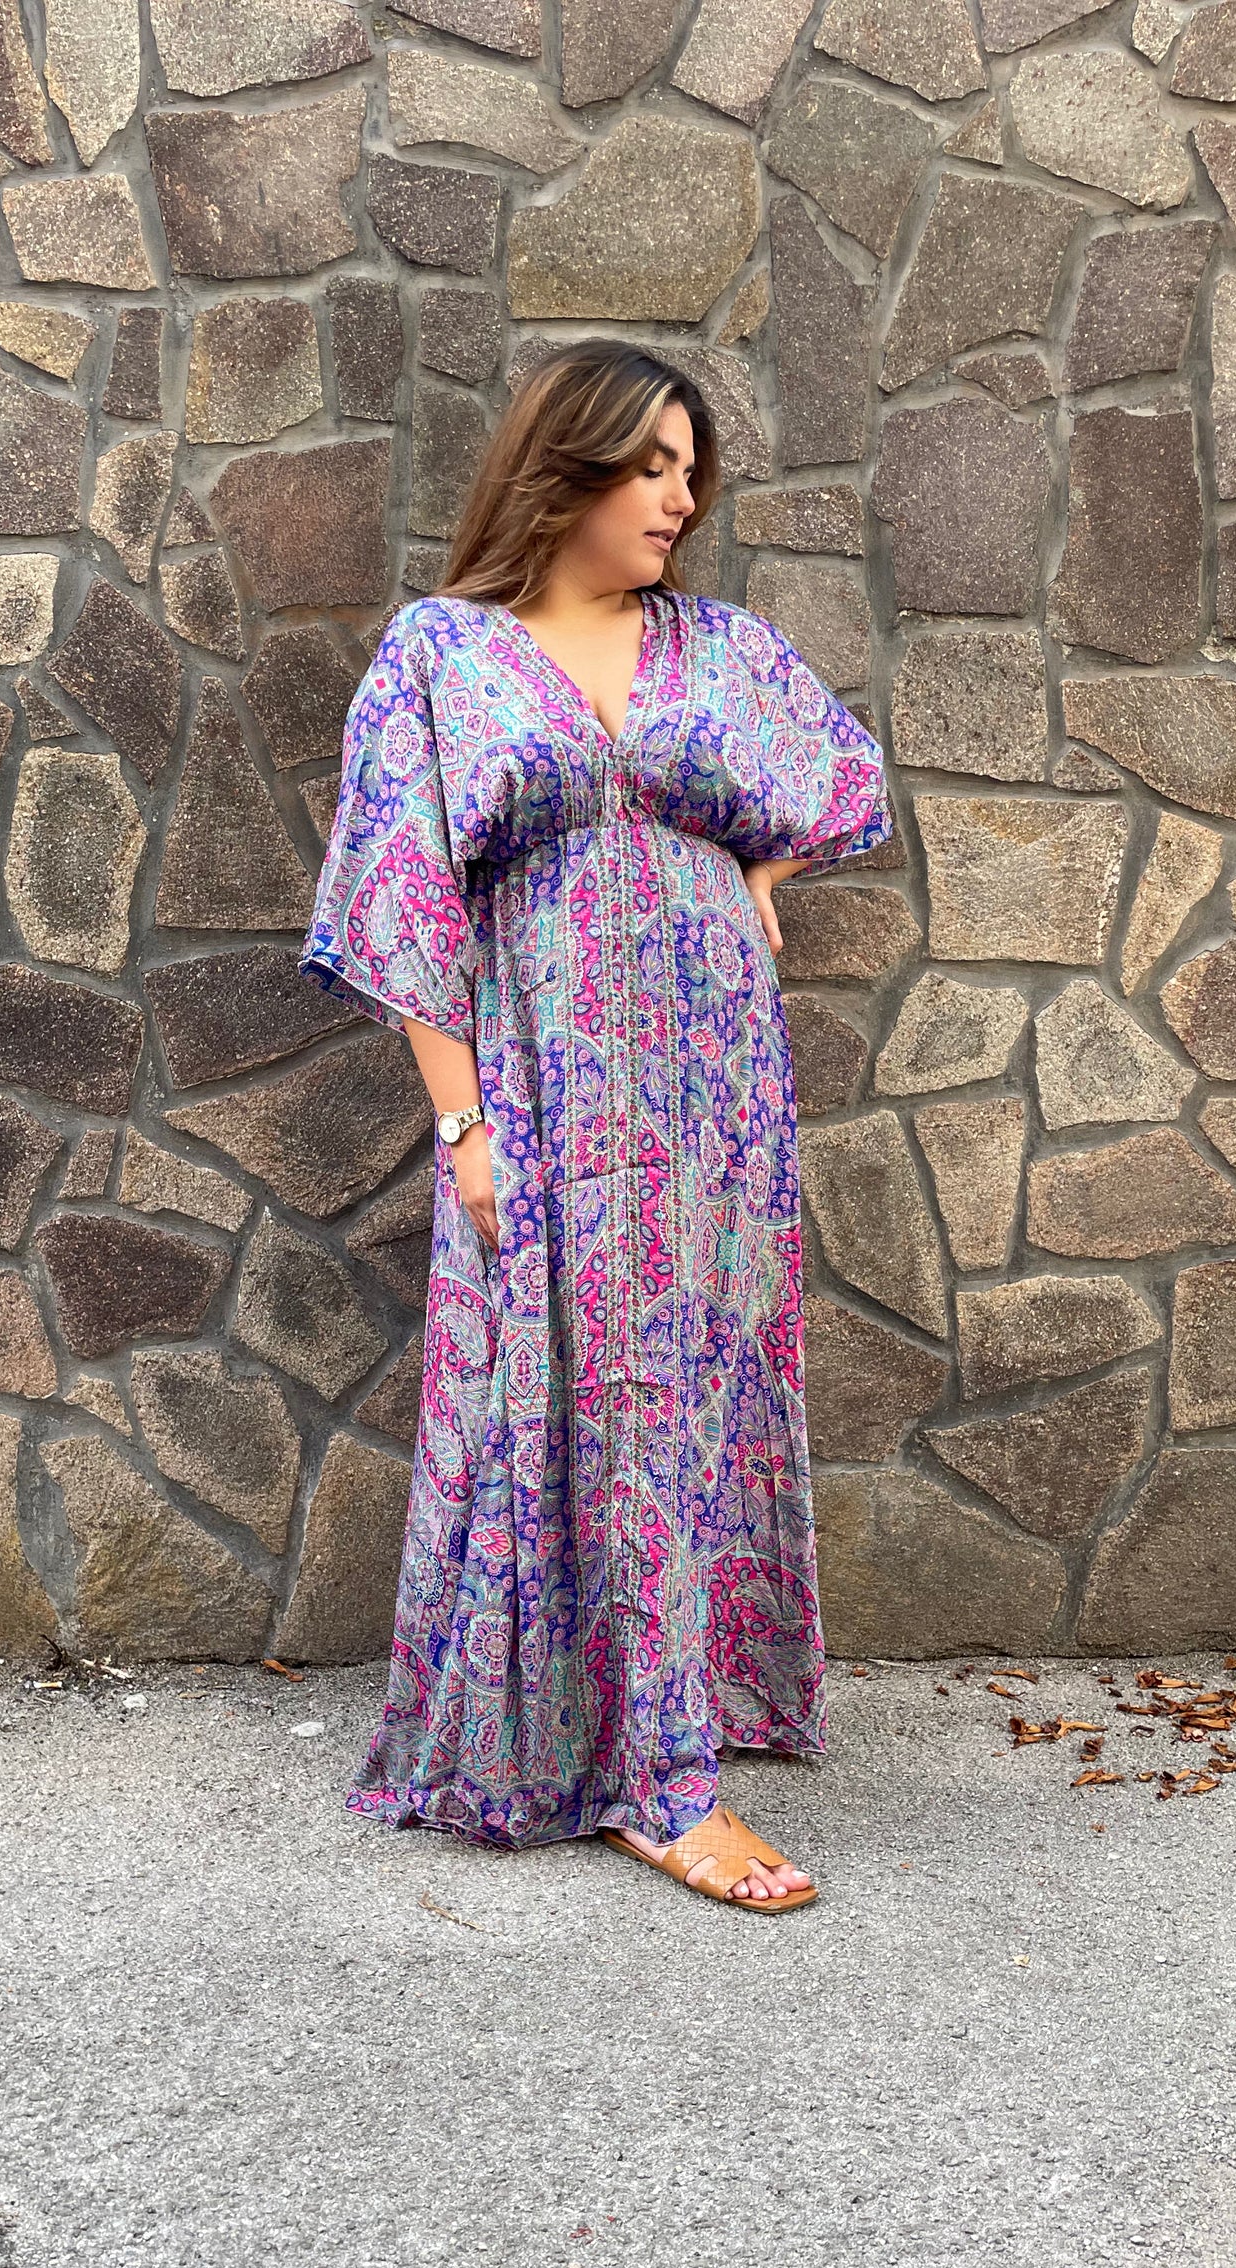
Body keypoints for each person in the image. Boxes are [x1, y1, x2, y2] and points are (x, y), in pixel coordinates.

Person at [300, 339, 892, 1913]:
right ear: (563, 470)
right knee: (557, 1392)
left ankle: (662, 1740)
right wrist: (462, 1127)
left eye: (692, 473)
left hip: (714, 1093)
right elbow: (403, 898)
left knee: (683, 1390)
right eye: (649, 467)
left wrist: (756, 866)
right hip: (542, 1084)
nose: (679, 498)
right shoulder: (443, 653)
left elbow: (843, 778)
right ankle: (637, 1776)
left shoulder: (721, 648)